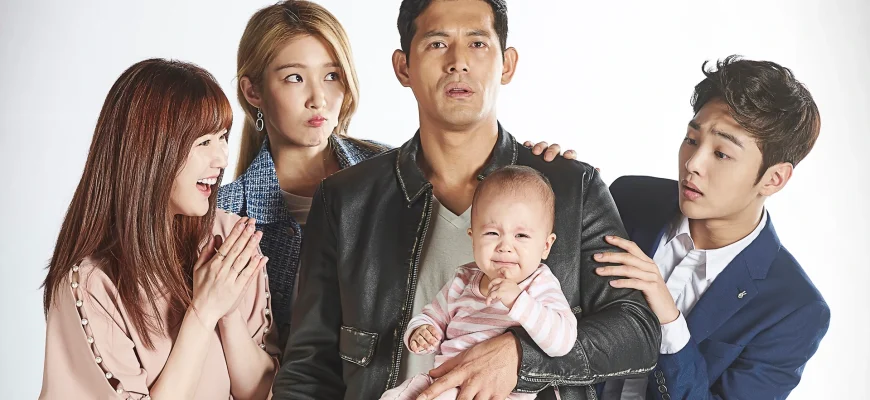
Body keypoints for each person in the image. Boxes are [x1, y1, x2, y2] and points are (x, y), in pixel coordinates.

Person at [274, 1, 660, 399]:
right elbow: (307, 373)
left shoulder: (572, 188)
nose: (458, 62)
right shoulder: (346, 200)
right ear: (403, 67)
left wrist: (519, 357)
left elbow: (637, 331)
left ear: (507, 64)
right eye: (437, 44)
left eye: (477, 43)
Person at [218, 0, 575, 348]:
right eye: (295, 78)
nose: (318, 98)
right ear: (252, 91)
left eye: (332, 76)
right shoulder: (223, 214)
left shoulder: (394, 175)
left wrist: (548, 171)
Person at [39, 59, 279, 400]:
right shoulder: (94, 284)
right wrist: (203, 312)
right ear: (149, 151)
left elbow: (264, 392)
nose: (222, 159)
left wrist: (228, 315)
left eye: (222, 137)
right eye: (203, 143)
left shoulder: (229, 237)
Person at [597, 56, 830, 399]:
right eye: (692, 139)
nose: (692, 163)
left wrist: (670, 323)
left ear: (774, 178)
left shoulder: (794, 309)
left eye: (721, 154)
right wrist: (545, 183)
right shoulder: (627, 198)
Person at [381, 166, 577, 400]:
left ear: (545, 246)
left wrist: (518, 300)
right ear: (473, 238)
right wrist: (421, 331)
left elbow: (563, 342)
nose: (505, 246)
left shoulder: (539, 284)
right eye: (492, 233)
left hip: (497, 393)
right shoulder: (463, 279)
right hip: (444, 380)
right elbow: (432, 316)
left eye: (521, 236)